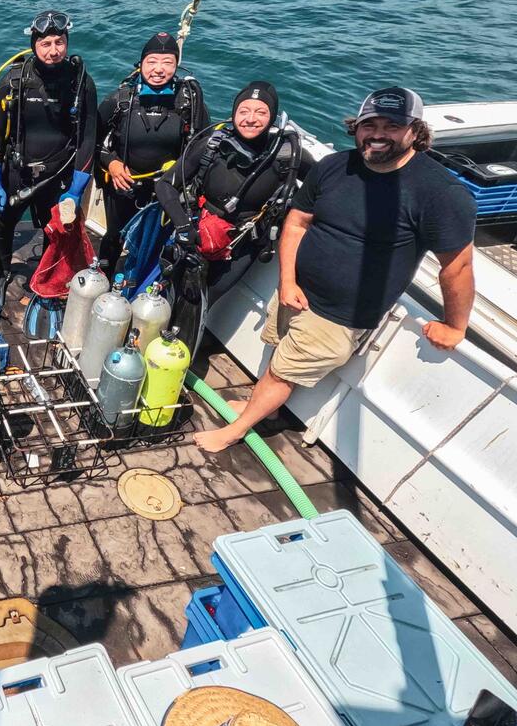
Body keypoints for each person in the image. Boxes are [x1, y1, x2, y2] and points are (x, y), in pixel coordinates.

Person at [195, 87, 477, 453]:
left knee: (284, 371)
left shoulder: (439, 193)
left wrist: (455, 326)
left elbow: (457, 266)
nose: (377, 134)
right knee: (278, 354)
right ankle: (259, 409)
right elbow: (297, 223)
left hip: (340, 314)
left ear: (415, 132)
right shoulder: (334, 167)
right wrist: (287, 280)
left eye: (392, 126)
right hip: (294, 291)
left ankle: (235, 431)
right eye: (368, 124)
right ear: (355, 127)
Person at [155, 81, 301, 353]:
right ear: (234, 112)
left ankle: (180, 354)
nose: (251, 119)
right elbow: (164, 184)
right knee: (175, 292)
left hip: (243, 246)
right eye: (244, 110)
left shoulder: (285, 155)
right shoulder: (212, 143)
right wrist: (184, 226)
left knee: (204, 300)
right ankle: (157, 342)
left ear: (272, 116)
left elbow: (319, 189)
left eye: (261, 112)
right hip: (196, 234)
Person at [0, 10, 97, 282]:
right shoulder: (15, 81)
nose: (53, 50)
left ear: (67, 43)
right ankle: (4, 271)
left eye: (59, 42)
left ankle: (45, 276)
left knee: (55, 230)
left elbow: (88, 139)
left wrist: (75, 189)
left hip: (59, 173)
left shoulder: (81, 84)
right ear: (33, 45)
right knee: (5, 224)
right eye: (45, 44)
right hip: (18, 171)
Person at [95, 32, 209, 272]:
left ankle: (145, 284)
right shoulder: (121, 100)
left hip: (167, 189)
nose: (159, 69)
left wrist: (179, 177)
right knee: (114, 236)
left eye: (167, 63)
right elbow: (90, 141)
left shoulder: (188, 102)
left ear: (177, 65)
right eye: (152, 62)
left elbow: (202, 146)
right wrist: (112, 163)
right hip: (123, 185)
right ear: (141, 64)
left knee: (157, 240)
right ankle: (105, 276)